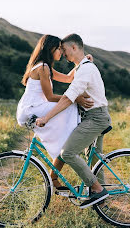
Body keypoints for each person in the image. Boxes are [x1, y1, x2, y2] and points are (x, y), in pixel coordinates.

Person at [36, 33, 111, 209]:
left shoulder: (86, 69)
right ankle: (102, 204)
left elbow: (67, 98)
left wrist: (46, 118)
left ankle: (98, 190)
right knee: (95, 160)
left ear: (74, 47)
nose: (64, 54)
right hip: (96, 116)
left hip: (96, 118)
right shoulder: (84, 67)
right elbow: (72, 83)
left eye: (65, 49)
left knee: (67, 153)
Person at [16, 34, 94, 190]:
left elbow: (67, 78)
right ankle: (57, 170)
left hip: (34, 107)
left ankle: (55, 173)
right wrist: (76, 98)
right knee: (70, 107)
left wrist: (82, 62)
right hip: (33, 108)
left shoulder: (45, 66)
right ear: (50, 49)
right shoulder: (43, 67)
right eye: (59, 48)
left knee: (66, 134)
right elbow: (50, 97)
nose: (61, 52)